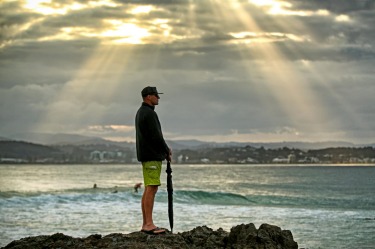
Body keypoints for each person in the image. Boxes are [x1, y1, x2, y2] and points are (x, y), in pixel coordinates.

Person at [135, 86, 172, 235]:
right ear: (148, 96)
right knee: (152, 187)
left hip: (147, 155)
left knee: (149, 188)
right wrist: (166, 151)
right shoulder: (148, 113)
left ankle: (146, 223)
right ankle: (148, 224)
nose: (158, 98)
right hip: (151, 156)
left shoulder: (141, 112)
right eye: (156, 95)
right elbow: (156, 136)